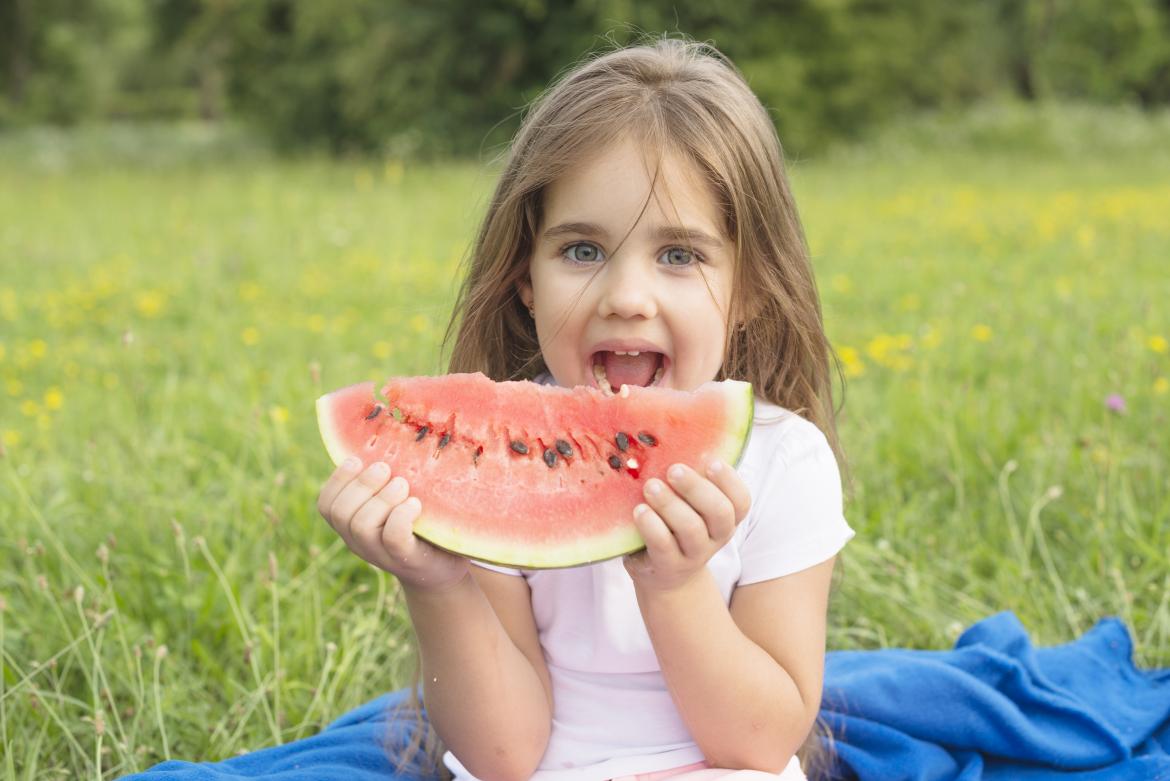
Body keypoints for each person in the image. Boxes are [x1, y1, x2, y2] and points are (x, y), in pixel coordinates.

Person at [316, 35, 854, 781]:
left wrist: (675, 587)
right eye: (581, 250)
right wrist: (436, 582)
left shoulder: (786, 461)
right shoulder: (485, 464)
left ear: (750, 287)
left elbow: (760, 743)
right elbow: (504, 751)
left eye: (679, 255)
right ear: (524, 279)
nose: (627, 298)